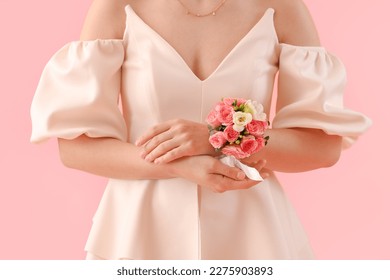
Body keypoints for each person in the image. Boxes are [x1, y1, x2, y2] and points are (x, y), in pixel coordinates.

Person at [30, 0, 371, 259]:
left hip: (254, 233)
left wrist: (217, 138)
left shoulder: (279, 6)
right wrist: (179, 163)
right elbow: (75, 147)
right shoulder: (119, 6)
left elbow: (322, 148)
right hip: (137, 231)